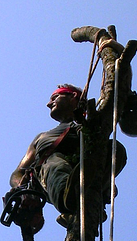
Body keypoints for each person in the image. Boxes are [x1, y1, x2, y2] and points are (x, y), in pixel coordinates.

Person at [8, 84, 127, 226]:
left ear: (73, 96)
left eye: (55, 97)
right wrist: (22, 189)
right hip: (52, 173)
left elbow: (115, 96)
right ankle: (69, 197)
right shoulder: (41, 137)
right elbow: (17, 173)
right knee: (54, 162)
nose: (48, 104)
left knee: (115, 148)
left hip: (84, 165)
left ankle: (87, 191)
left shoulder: (88, 125)